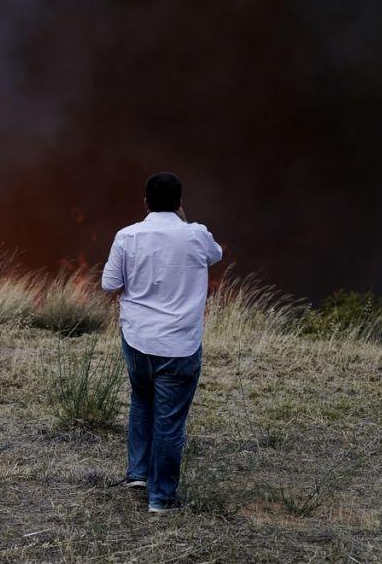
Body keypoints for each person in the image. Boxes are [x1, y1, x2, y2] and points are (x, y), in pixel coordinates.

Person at [101, 172, 223, 513]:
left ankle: (138, 474)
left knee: (141, 400)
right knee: (169, 420)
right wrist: (183, 219)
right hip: (179, 346)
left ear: (145, 201)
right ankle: (161, 499)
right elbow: (216, 255)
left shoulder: (127, 236)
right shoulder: (196, 235)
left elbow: (110, 284)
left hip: (137, 340)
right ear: (181, 202)